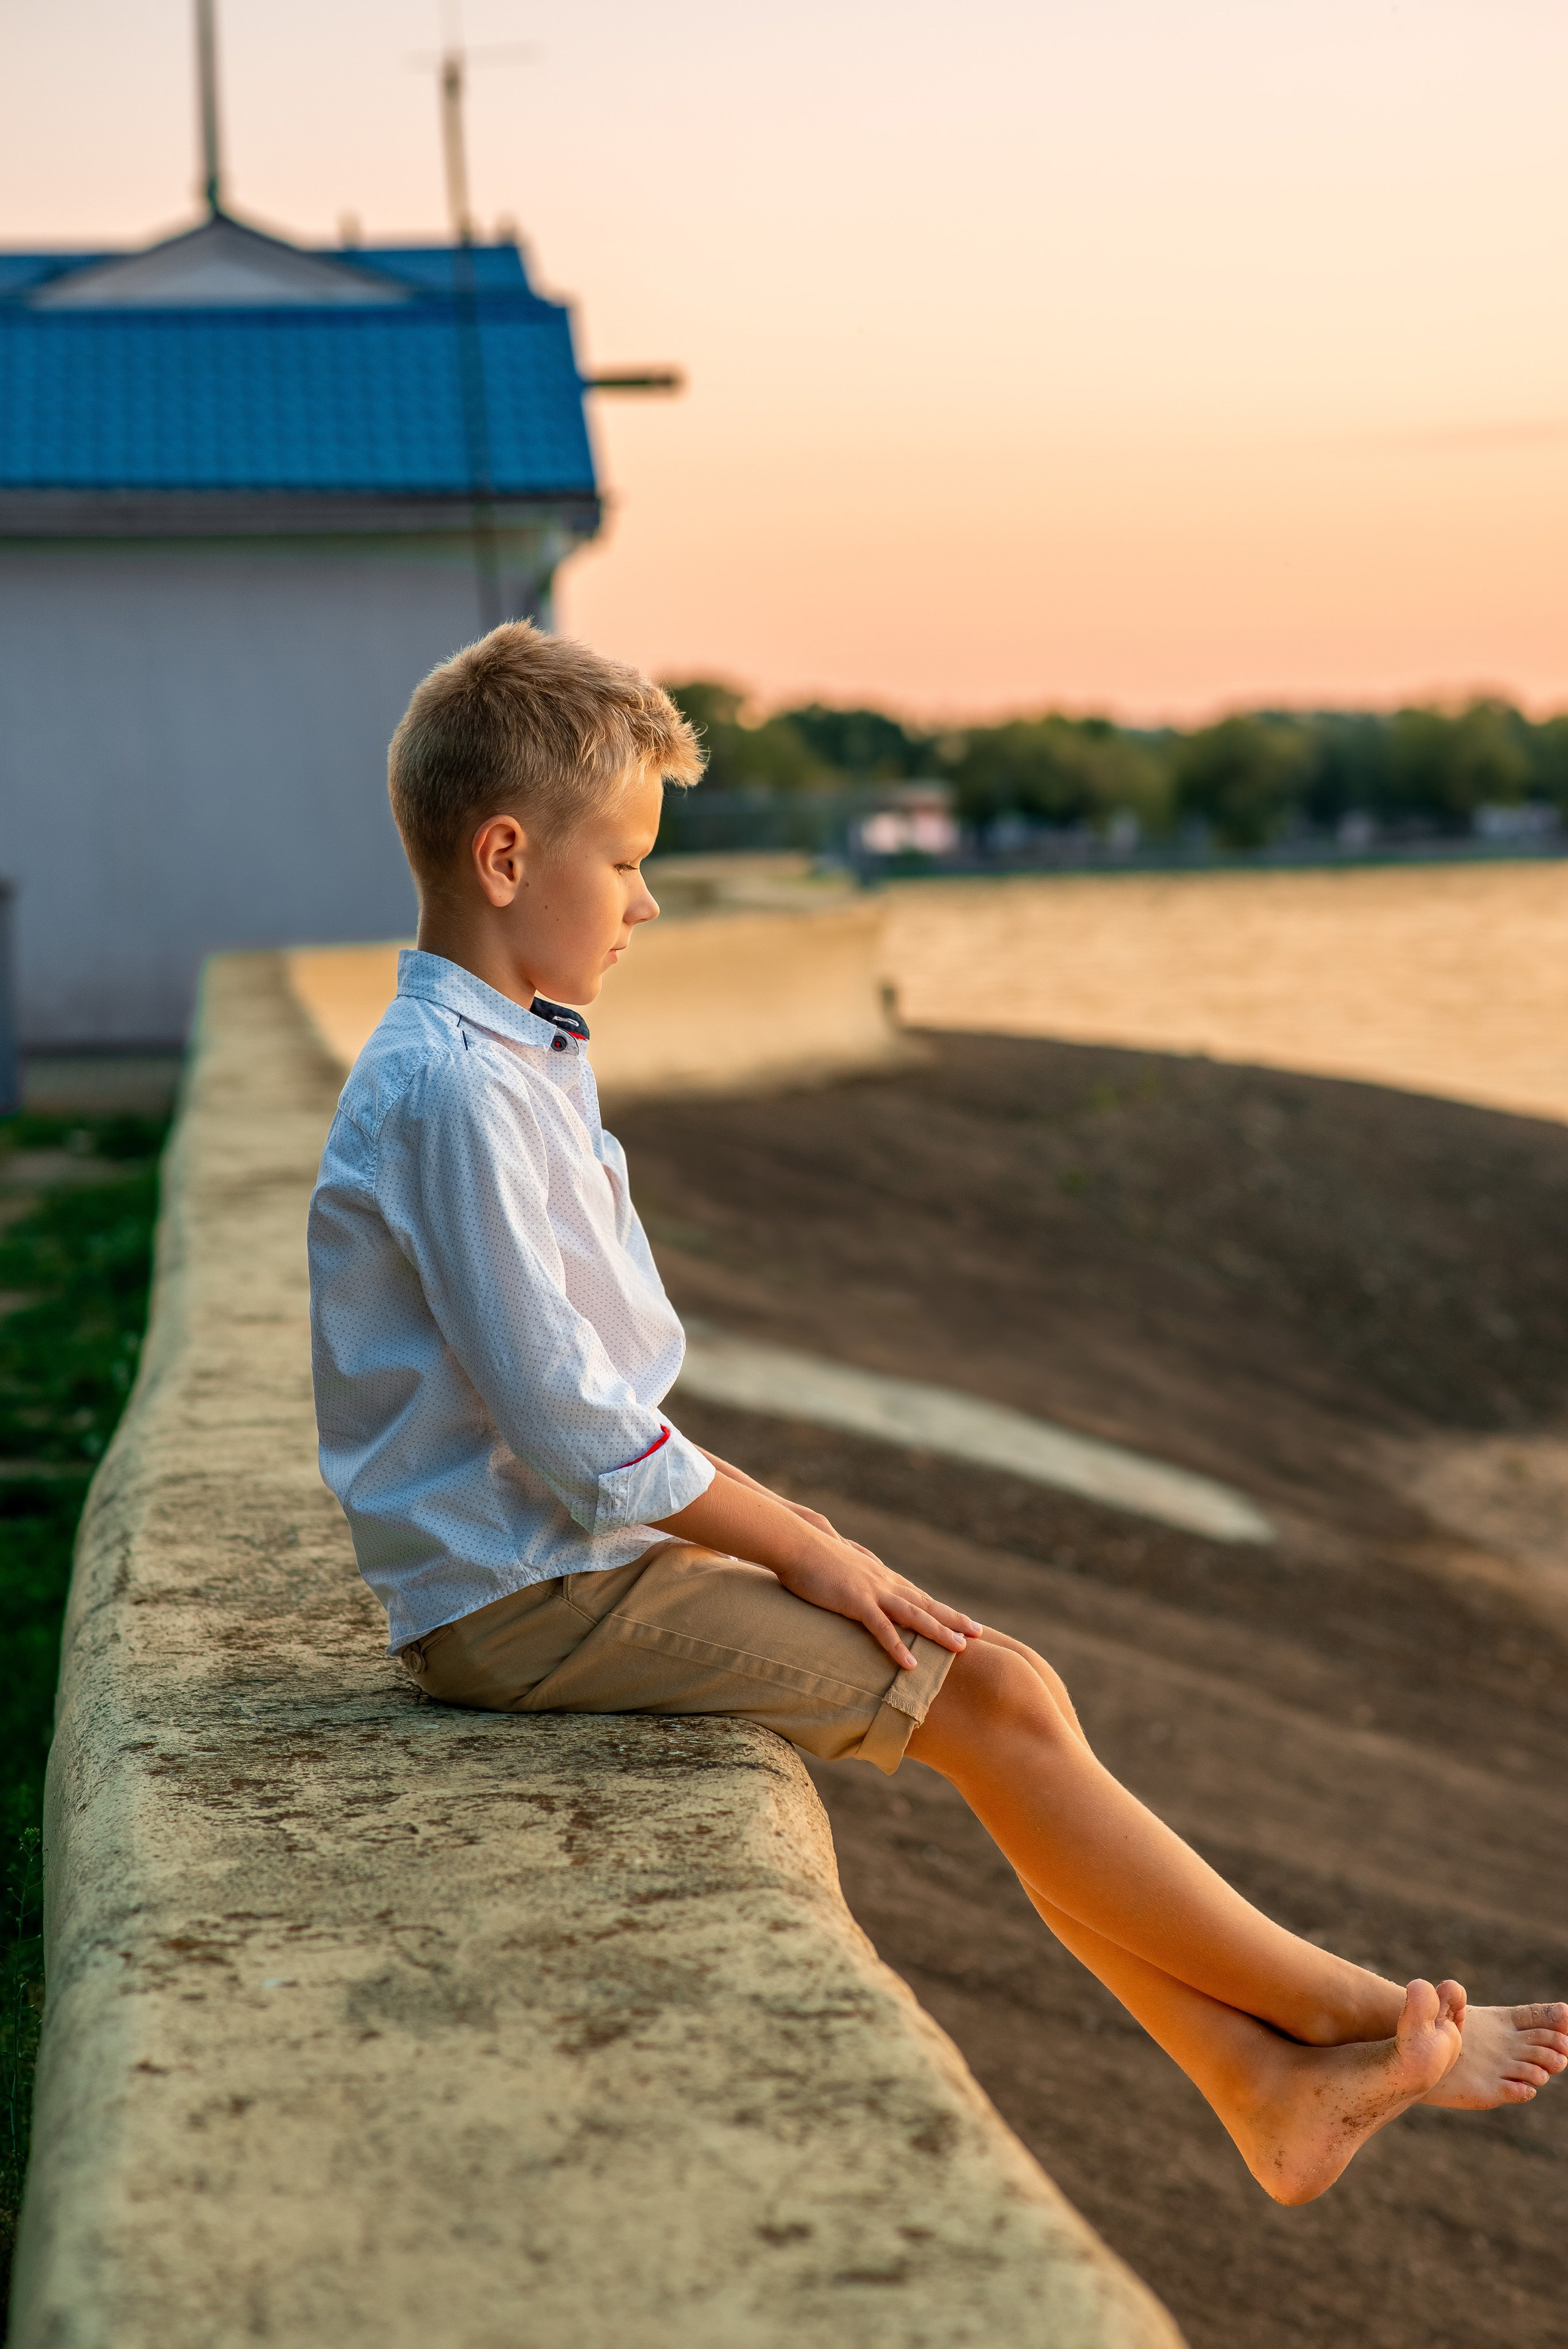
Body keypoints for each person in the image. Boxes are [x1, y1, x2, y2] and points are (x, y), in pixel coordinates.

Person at [307, 624, 1566, 2207]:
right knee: (983, 1705)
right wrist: (817, 1548)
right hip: (520, 1600)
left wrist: (802, 1546)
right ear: (506, 855)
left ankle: (1262, 2084)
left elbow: (592, 1403)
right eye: (626, 861)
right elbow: (580, 1429)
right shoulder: (454, 1086)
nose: (646, 900)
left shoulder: (516, 1051)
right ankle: (1354, 2013)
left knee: (1008, 1691)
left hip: (559, 1567)